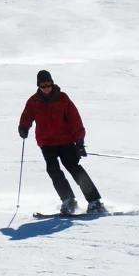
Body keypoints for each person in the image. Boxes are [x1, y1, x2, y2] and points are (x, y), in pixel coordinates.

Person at [18, 70, 104, 215]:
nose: (46, 88)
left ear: (52, 83)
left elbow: (75, 120)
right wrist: (23, 127)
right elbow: (27, 116)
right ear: (38, 85)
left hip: (65, 141)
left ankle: (94, 202)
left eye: (48, 84)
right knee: (53, 171)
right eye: (43, 85)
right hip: (46, 143)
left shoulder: (63, 99)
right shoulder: (33, 101)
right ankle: (68, 200)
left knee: (74, 168)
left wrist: (79, 142)